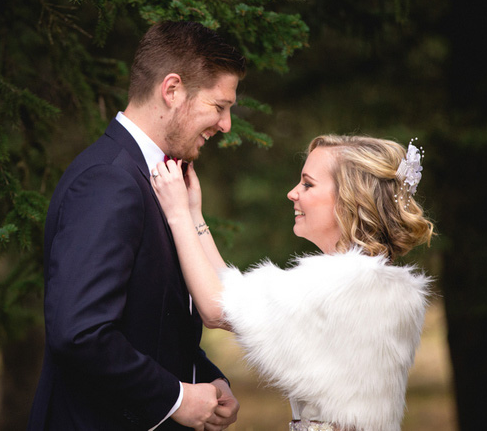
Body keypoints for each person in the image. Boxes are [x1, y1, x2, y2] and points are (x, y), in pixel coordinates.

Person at [27, 21, 247, 430]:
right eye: (219, 106)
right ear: (172, 89)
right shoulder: (108, 181)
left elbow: (151, 328)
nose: (226, 125)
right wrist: (176, 397)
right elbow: (81, 333)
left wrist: (207, 379)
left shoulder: (157, 180)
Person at [151, 135, 435, 431]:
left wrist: (178, 213)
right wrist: (194, 213)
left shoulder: (339, 287)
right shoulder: (372, 285)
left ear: (350, 198)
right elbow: (230, 293)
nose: (292, 193)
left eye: (307, 184)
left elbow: (216, 308)